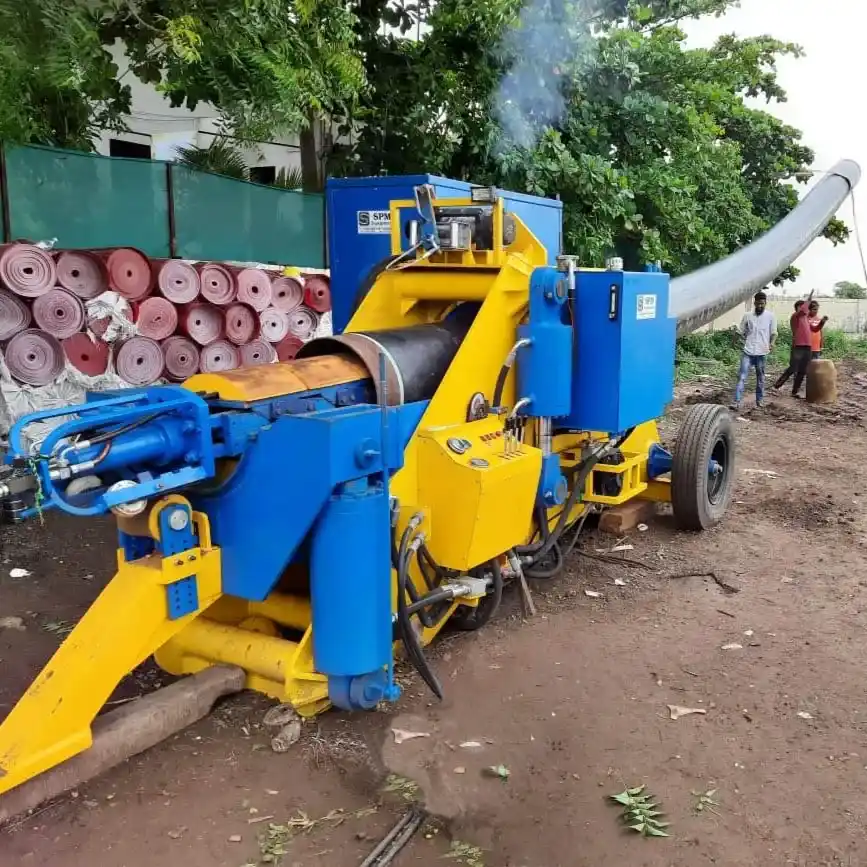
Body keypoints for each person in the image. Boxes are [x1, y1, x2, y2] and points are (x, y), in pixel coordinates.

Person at [773, 290, 826, 397]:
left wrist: (822, 322)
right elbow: (804, 308)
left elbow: (815, 329)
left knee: (802, 370)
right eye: (802, 307)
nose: (805, 309)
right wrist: (809, 298)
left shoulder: (806, 319)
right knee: (793, 368)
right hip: (798, 346)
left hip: (807, 347)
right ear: (797, 308)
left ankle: (795, 391)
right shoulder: (796, 316)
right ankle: (777, 385)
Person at [732, 291, 777, 410]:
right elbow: (741, 331)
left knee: (760, 378)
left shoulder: (770, 316)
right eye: (758, 303)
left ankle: (759, 400)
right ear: (754, 303)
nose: (760, 306)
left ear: (765, 303)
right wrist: (735, 338)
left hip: (762, 352)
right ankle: (736, 401)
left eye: (762, 304)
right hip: (748, 351)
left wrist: (771, 343)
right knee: (742, 377)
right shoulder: (747, 315)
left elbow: (774, 333)